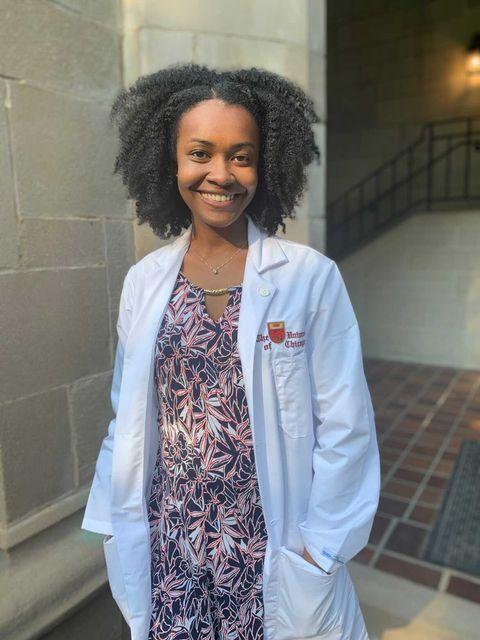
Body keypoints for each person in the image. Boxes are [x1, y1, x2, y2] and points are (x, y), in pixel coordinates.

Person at [81, 62, 380, 640]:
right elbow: (129, 415)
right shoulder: (144, 282)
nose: (221, 173)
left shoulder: (308, 277)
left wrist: (321, 551)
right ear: (169, 162)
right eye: (200, 153)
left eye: (241, 155)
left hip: (272, 547)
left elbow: (347, 427)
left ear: (264, 167)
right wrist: (112, 525)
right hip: (174, 545)